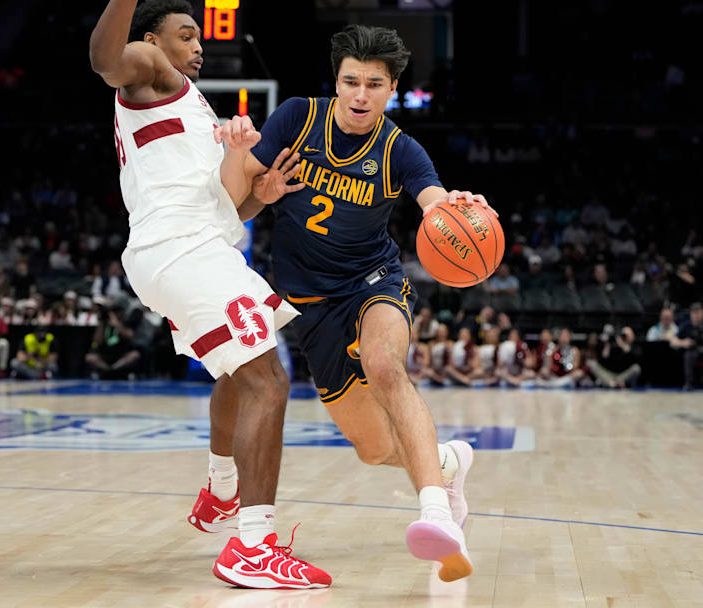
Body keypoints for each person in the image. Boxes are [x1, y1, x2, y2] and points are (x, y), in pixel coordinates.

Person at [226, 24, 489, 581]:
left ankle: (438, 516)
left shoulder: (399, 149)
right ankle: (444, 465)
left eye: (374, 83)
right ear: (336, 81)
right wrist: (261, 194)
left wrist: (458, 207)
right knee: (372, 450)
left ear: (391, 88)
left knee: (384, 364)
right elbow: (240, 206)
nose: (360, 94)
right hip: (309, 307)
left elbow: (434, 202)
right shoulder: (297, 118)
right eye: (351, 81)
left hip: (373, 283)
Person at [89, 0, 328, 588]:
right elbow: (105, 60)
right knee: (268, 381)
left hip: (198, 246)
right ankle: (253, 547)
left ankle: (222, 494)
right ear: (152, 38)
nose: (198, 46)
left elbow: (227, 209)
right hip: (182, 252)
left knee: (237, 372)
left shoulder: (195, 108)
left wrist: (259, 197)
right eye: (186, 34)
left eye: (199, 38)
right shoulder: (149, 69)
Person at [671, 303, 703, 390]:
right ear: (691, 314)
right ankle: (689, 383)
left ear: (702, 314)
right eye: (694, 313)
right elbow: (673, 341)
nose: (696, 316)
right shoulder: (685, 325)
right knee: (689, 355)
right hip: (692, 351)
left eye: (699, 313)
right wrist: (683, 342)